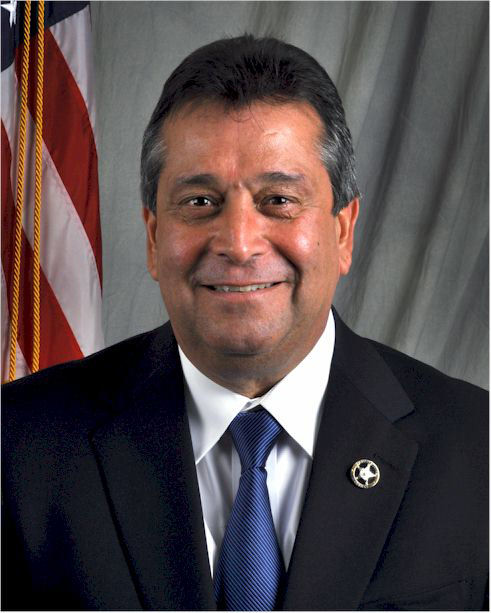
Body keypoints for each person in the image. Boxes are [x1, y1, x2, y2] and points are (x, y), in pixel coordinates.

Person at [2, 35, 487, 611]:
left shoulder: (475, 448)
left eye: (278, 200)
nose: (237, 243)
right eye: (200, 202)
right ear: (154, 238)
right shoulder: (19, 449)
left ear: (342, 231)